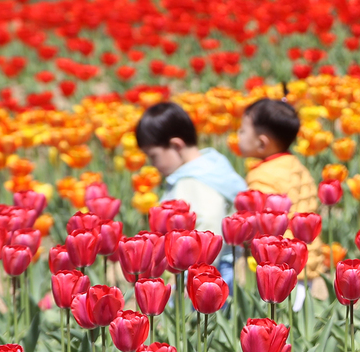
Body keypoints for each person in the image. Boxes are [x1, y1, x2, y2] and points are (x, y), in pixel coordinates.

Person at [136, 101, 247, 286]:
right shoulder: (213, 164)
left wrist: (195, 276)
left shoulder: (192, 180)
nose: (152, 164)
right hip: (220, 267)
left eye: (153, 156)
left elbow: (210, 224)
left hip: (207, 273)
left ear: (176, 146)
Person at [239, 98, 328, 295]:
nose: (238, 136)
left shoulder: (262, 177)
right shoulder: (297, 166)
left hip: (280, 263)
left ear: (262, 143)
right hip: (306, 257)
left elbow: (258, 225)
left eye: (242, 131)